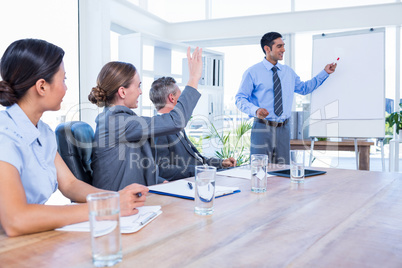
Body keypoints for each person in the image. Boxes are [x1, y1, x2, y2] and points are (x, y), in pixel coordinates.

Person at [0, 39, 148, 237]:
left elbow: (69, 184)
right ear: (42, 86)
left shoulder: (42, 131)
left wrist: (114, 198)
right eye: (63, 80)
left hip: (30, 237)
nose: (66, 88)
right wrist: (106, 207)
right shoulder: (4, 134)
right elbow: (16, 220)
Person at [89, 47, 203, 190]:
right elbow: (176, 121)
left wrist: (161, 182)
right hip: (118, 205)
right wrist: (193, 78)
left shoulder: (118, 118)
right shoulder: (116, 121)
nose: (140, 92)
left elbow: (137, 166)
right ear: (122, 92)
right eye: (138, 86)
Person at [235, 32, 337, 164]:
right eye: (279, 46)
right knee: (259, 169)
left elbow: (304, 88)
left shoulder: (288, 72)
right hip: (262, 128)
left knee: (283, 171)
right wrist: (255, 110)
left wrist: (325, 73)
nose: (283, 49)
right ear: (267, 48)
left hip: (284, 129)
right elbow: (240, 98)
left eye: (283, 46)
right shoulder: (252, 72)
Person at [149, 77, 236, 181]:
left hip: (201, 176)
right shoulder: (160, 130)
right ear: (172, 98)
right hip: (191, 181)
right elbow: (164, 170)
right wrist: (199, 171)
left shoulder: (176, 127)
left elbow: (196, 159)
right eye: (181, 96)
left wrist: (221, 163)